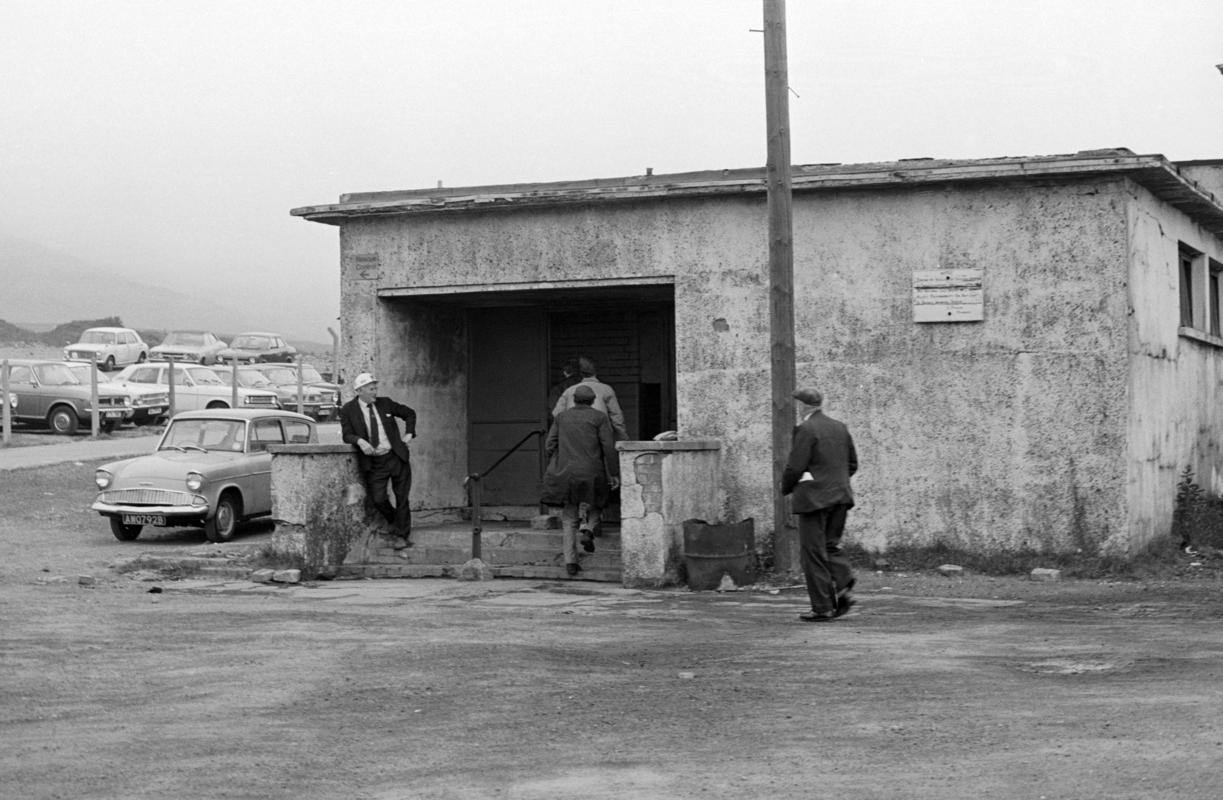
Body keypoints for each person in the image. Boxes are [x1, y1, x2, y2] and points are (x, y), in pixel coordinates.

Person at [781, 387, 858, 622]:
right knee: (830, 545)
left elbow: (795, 466)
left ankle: (823, 607)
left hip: (814, 500)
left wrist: (786, 487)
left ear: (802, 406)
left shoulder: (806, 429)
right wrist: (835, 481)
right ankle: (843, 578)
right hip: (841, 497)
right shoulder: (839, 427)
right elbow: (852, 464)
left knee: (813, 553)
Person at [541, 384, 620, 577]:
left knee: (569, 518)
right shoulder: (599, 418)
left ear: (574, 399)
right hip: (592, 471)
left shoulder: (561, 417)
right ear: (593, 401)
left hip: (566, 473)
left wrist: (558, 459)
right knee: (597, 504)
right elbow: (608, 446)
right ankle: (589, 529)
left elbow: (549, 444)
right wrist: (614, 472)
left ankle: (570, 562)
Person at [339, 372, 418, 548]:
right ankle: (397, 521)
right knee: (378, 498)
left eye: (375, 388)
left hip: (396, 457)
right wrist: (360, 441)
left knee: (402, 497)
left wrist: (409, 434)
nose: (375, 392)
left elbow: (409, 413)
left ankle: (402, 535)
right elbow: (346, 434)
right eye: (371, 389)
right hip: (375, 462)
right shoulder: (348, 410)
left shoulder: (386, 403)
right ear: (360, 391)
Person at [551, 357, 629, 442]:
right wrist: (623, 439)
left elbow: (556, 414)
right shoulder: (606, 389)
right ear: (596, 372)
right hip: (599, 436)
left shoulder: (569, 391)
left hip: (573, 437)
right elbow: (617, 418)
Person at [545, 358, 581, 427]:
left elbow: (553, 412)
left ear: (565, 372)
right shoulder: (592, 387)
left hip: (566, 428)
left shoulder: (558, 389)